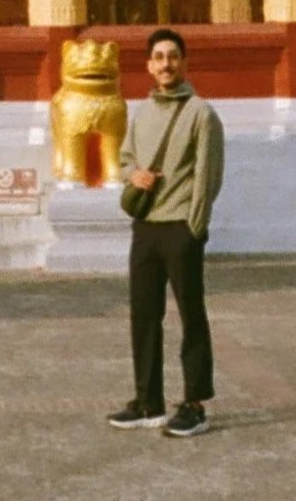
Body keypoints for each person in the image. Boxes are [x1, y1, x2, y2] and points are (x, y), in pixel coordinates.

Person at [107, 26, 224, 439]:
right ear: (148, 66)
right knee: (143, 315)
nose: (166, 64)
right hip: (146, 230)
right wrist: (131, 175)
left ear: (184, 63)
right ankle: (148, 400)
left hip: (179, 228)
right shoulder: (142, 113)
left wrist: (194, 226)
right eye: (158, 57)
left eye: (172, 56)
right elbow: (122, 161)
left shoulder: (201, 114)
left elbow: (208, 177)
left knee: (191, 314)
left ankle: (194, 403)